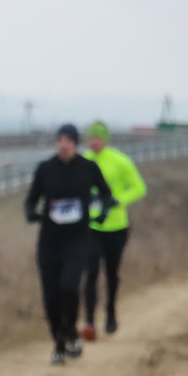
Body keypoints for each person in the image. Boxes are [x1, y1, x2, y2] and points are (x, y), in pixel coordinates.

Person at [24, 123, 113, 365]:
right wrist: (31, 212)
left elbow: (107, 195)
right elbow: (31, 199)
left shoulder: (88, 168)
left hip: (78, 240)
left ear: (75, 144)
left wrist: (103, 212)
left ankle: (72, 331)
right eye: (59, 140)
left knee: (69, 287)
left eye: (68, 141)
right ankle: (59, 343)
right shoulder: (45, 169)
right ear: (56, 143)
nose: (63, 145)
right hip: (49, 241)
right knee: (50, 296)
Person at [80, 120, 147, 338]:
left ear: (105, 140)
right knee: (90, 272)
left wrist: (119, 200)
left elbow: (139, 187)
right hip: (91, 226)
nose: (94, 142)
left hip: (116, 226)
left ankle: (110, 312)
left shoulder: (119, 160)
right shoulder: (83, 161)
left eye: (98, 138)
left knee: (111, 273)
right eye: (91, 138)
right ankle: (89, 321)